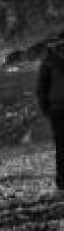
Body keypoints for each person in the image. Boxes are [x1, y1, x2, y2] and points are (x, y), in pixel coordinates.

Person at [38, 35, 64, 192]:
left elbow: (42, 88)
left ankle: (62, 183)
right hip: (56, 109)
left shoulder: (49, 61)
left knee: (61, 147)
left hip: (57, 109)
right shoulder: (48, 61)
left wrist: (45, 109)